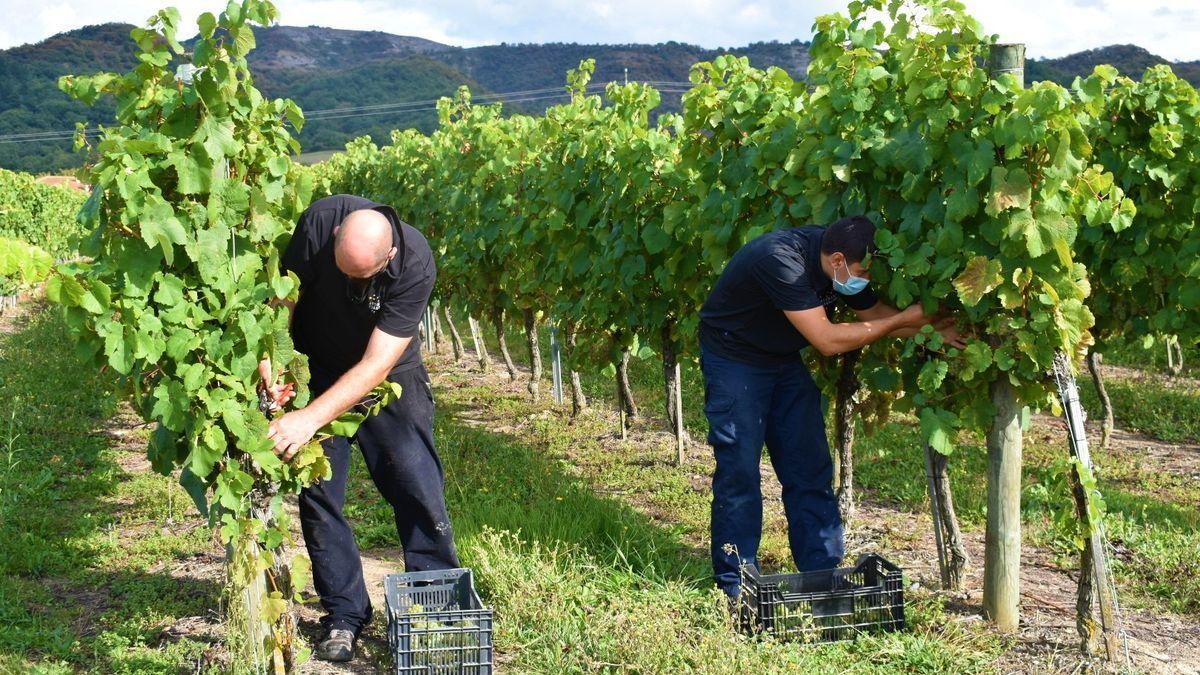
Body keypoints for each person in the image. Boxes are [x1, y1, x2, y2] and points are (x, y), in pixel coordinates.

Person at [699, 215, 963, 598]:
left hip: (781, 358)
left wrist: (936, 331)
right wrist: (907, 319)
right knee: (739, 470)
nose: (866, 281)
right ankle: (735, 584)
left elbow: (875, 318)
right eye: (862, 272)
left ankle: (823, 577)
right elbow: (826, 340)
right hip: (733, 357)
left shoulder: (842, 263)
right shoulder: (781, 261)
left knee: (809, 466)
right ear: (837, 261)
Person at [259, 194, 459, 662]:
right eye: (342, 268)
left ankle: (434, 607)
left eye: (361, 277)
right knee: (321, 491)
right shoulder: (320, 221)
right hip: (317, 364)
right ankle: (344, 615)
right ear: (335, 237)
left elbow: (375, 364)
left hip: (386, 375)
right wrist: (273, 358)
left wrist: (309, 419)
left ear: (387, 257)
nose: (350, 282)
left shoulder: (415, 262)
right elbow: (283, 297)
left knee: (414, 482)